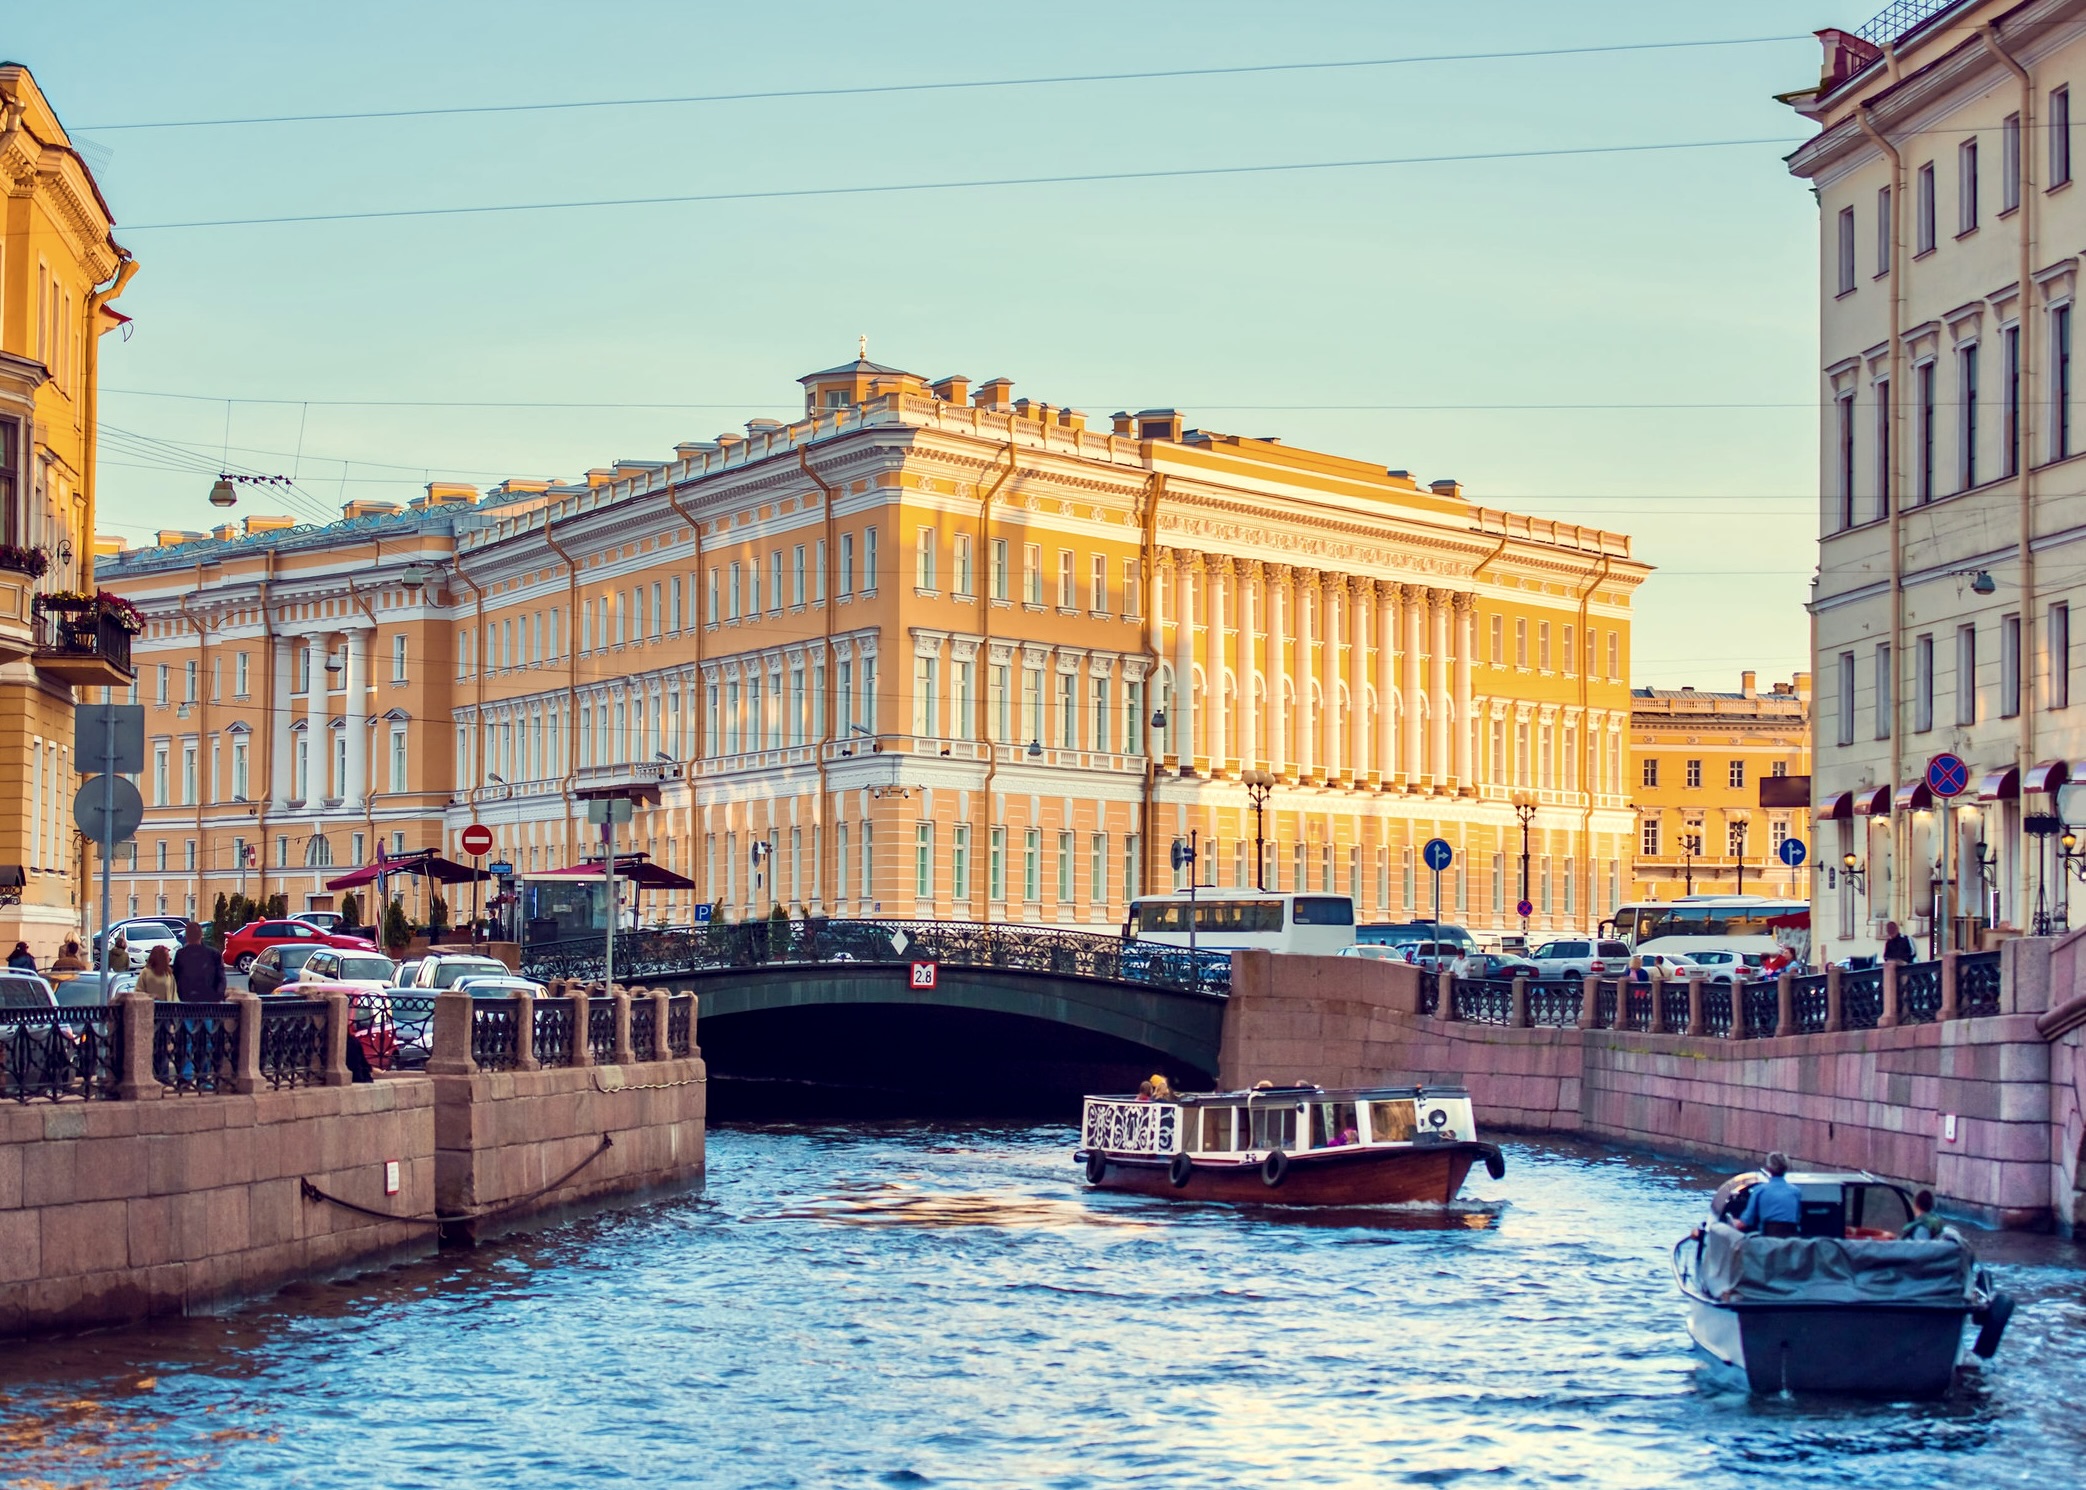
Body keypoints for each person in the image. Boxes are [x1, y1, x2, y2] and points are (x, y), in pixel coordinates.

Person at [1732, 1151, 1803, 1237]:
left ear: (1768, 1169)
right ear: (1786, 1169)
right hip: (1789, 1241)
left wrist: (1732, 1222)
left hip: (1767, 1240)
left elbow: (1744, 1223)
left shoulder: (1759, 1191)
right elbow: (1797, 1218)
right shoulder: (1796, 1192)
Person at [173, 920, 226, 1003]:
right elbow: (221, 978)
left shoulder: (181, 954)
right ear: (201, 935)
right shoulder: (213, 953)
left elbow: (175, 978)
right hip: (209, 999)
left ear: (187, 936)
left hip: (186, 999)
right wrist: (218, 996)